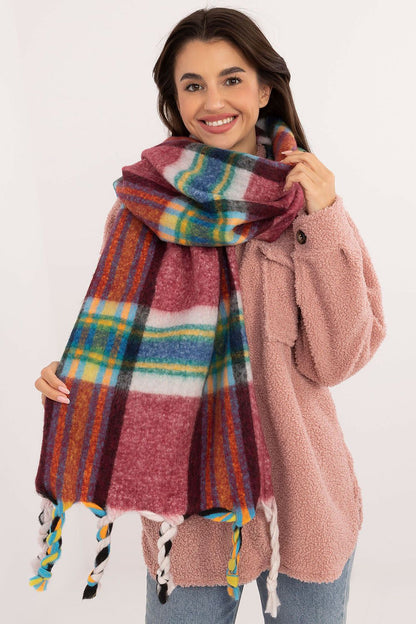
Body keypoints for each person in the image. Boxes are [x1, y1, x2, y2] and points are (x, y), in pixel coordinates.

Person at [33, 7, 386, 624]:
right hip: (191, 514)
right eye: (192, 84)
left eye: (232, 79)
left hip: (304, 504)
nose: (213, 101)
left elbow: (338, 358)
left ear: (265, 89)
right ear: (174, 99)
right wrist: (80, 379)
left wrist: (325, 220)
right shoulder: (140, 209)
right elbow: (124, 348)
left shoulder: (309, 207)